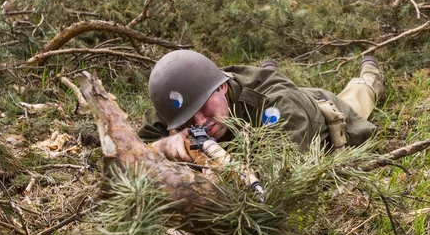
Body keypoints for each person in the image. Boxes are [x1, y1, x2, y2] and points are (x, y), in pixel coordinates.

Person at [138, 50, 385, 163]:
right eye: (187, 120)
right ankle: (269, 70)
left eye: (204, 106)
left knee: (359, 95)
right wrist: (163, 146)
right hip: (264, 95)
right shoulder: (177, 106)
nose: (200, 122)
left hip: (317, 108)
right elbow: (130, 153)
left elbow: (279, 174)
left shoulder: (282, 107)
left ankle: (371, 71)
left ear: (222, 86)